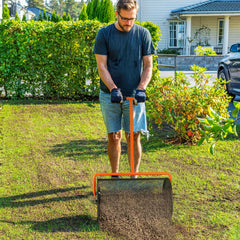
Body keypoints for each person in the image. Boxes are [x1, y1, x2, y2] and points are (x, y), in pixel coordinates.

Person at [93, 0, 154, 178]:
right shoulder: (104, 34)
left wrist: (142, 88)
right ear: (117, 14)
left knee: (134, 136)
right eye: (125, 19)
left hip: (135, 95)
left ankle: (133, 176)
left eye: (132, 19)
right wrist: (113, 88)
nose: (129, 23)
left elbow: (148, 65)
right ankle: (115, 175)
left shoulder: (143, 34)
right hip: (109, 95)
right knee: (114, 135)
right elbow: (101, 66)